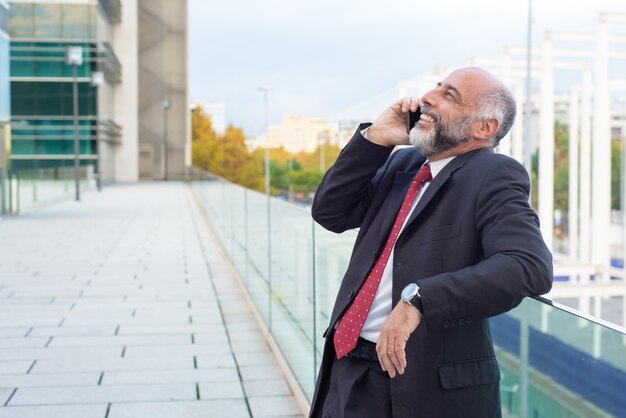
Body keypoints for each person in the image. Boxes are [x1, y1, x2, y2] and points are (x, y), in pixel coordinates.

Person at [309, 67, 553, 418]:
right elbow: (330, 213)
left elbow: (528, 267)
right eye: (436, 87)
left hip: (421, 386)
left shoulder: (494, 175)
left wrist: (419, 299)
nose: (427, 97)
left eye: (449, 95)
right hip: (348, 368)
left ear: (484, 128)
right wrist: (377, 138)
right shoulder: (404, 163)